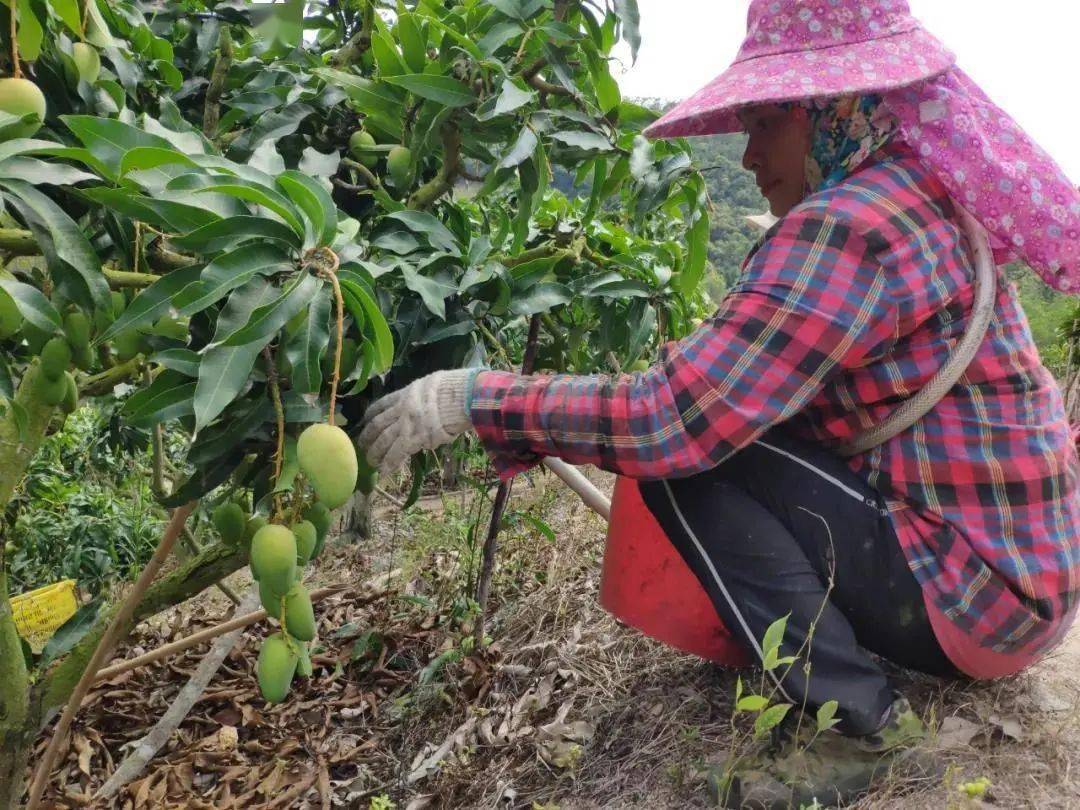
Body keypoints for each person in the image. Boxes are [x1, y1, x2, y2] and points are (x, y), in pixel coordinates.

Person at [359, 0, 1080, 805]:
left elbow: (668, 419)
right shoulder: (915, 192)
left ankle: (861, 724)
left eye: (767, 122)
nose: (745, 154)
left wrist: (475, 399)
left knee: (679, 461)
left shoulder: (853, 226)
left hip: (977, 596)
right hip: (1018, 582)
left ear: (833, 113)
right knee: (704, 437)